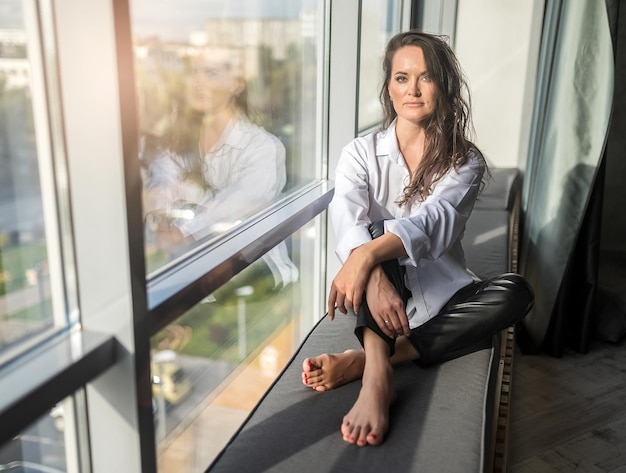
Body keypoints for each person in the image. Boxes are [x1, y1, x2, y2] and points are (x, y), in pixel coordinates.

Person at [301, 31, 533, 447]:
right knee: (373, 232)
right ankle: (377, 377)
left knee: (515, 292)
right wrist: (368, 268)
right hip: (379, 296)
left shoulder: (466, 160)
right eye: (402, 78)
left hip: (445, 296)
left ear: (443, 85)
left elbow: (434, 224)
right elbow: (347, 217)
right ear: (388, 88)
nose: (413, 89)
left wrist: (364, 256)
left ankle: (371, 358)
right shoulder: (359, 152)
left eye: (425, 78)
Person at [142, 46, 298, 288]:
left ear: (236, 83)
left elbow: (237, 205)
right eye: (193, 72)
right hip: (185, 266)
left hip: (251, 278)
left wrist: (185, 231)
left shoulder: (264, 147)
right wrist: (162, 219)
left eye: (210, 73)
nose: (196, 82)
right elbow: (162, 182)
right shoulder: (177, 139)